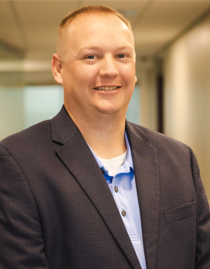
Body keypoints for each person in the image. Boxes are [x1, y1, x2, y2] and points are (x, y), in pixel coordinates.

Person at [0, 5, 210, 269]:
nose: (110, 70)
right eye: (91, 57)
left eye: (122, 55)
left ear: (134, 67)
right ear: (58, 68)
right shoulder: (17, 162)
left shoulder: (180, 159)